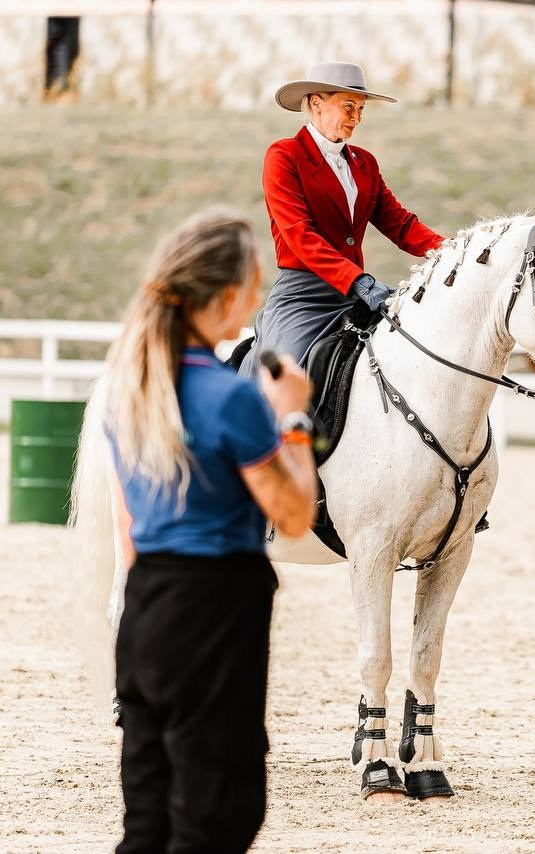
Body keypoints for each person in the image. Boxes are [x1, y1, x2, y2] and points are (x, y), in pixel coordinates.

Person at [104, 208, 317, 852]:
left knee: (148, 821)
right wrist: (294, 419)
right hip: (215, 609)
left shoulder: (132, 389)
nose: (257, 298)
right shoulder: (233, 398)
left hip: (147, 608)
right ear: (224, 297)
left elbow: (129, 526)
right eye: (253, 285)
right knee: (219, 816)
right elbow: (294, 514)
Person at [242, 60, 445, 375]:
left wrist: (455, 251)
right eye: (349, 107)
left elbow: (400, 224)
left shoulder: (365, 163)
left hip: (357, 294)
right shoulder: (284, 156)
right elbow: (299, 235)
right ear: (316, 104)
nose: (357, 118)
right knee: (284, 374)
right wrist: (356, 279)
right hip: (305, 296)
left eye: (361, 109)